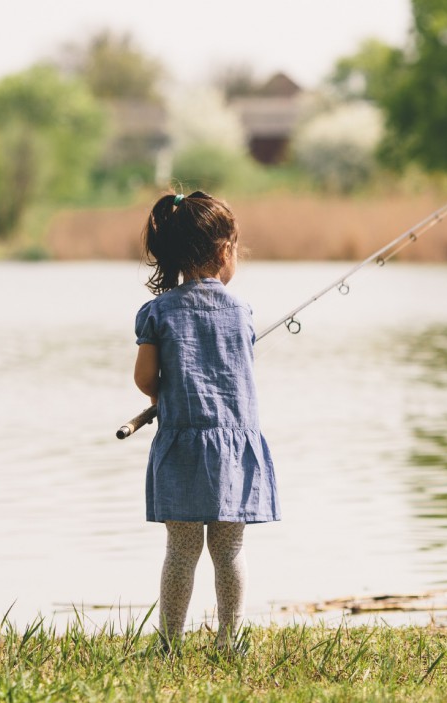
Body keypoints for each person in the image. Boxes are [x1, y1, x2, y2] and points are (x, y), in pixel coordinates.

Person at [132, 191, 280, 651]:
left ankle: (169, 641)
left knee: (180, 552)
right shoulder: (242, 312)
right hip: (233, 451)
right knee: (229, 551)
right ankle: (228, 640)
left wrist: (165, 396)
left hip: (181, 447)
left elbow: (145, 380)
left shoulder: (157, 312)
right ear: (224, 252)